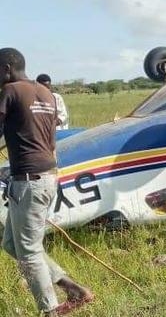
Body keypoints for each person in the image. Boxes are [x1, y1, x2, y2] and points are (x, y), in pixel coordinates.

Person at [0, 48, 93, 315]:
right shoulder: (46, 93)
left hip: (29, 181)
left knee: (28, 253)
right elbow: (50, 141)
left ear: (7, 68)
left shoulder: (11, 91)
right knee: (11, 244)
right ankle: (73, 289)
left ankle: (49, 310)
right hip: (47, 177)